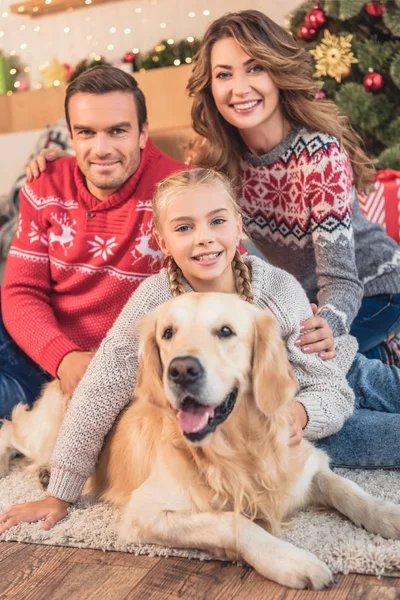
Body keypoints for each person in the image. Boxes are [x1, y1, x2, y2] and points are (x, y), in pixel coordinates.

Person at [1, 168, 400, 534]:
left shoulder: (278, 290)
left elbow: (327, 388)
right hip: (229, 427)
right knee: (378, 439)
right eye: (184, 227)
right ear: (162, 241)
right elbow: (100, 389)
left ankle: (381, 365)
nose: (204, 237)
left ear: (239, 227)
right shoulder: (153, 302)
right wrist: (62, 491)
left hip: (295, 400)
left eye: (218, 221)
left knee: (360, 390)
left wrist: (300, 414)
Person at [186, 10, 400, 365]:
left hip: (377, 288)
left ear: (278, 72)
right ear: (210, 86)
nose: (240, 89)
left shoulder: (319, 155)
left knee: (313, 364)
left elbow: (342, 281)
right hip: (310, 296)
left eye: (255, 68)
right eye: (224, 74)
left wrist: (329, 325)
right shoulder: (221, 165)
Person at [0, 64, 190, 419]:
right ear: (71, 137)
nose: (101, 150)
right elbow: (21, 291)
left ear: (142, 133)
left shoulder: (182, 189)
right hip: (40, 355)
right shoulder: (45, 184)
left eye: (118, 131)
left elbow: (228, 279)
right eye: (86, 133)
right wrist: (63, 357)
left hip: (126, 369)